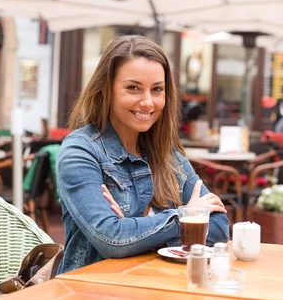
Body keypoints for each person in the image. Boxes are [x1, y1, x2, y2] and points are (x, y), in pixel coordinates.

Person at [56, 36, 230, 274]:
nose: (148, 102)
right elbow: (111, 240)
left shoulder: (167, 155)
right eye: (133, 88)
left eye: (157, 89)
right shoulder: (80, 151)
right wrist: (187, 216)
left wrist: (133, 230)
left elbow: (219, 227)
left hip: (159, 286)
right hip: (91, 294)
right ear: (106, 89)